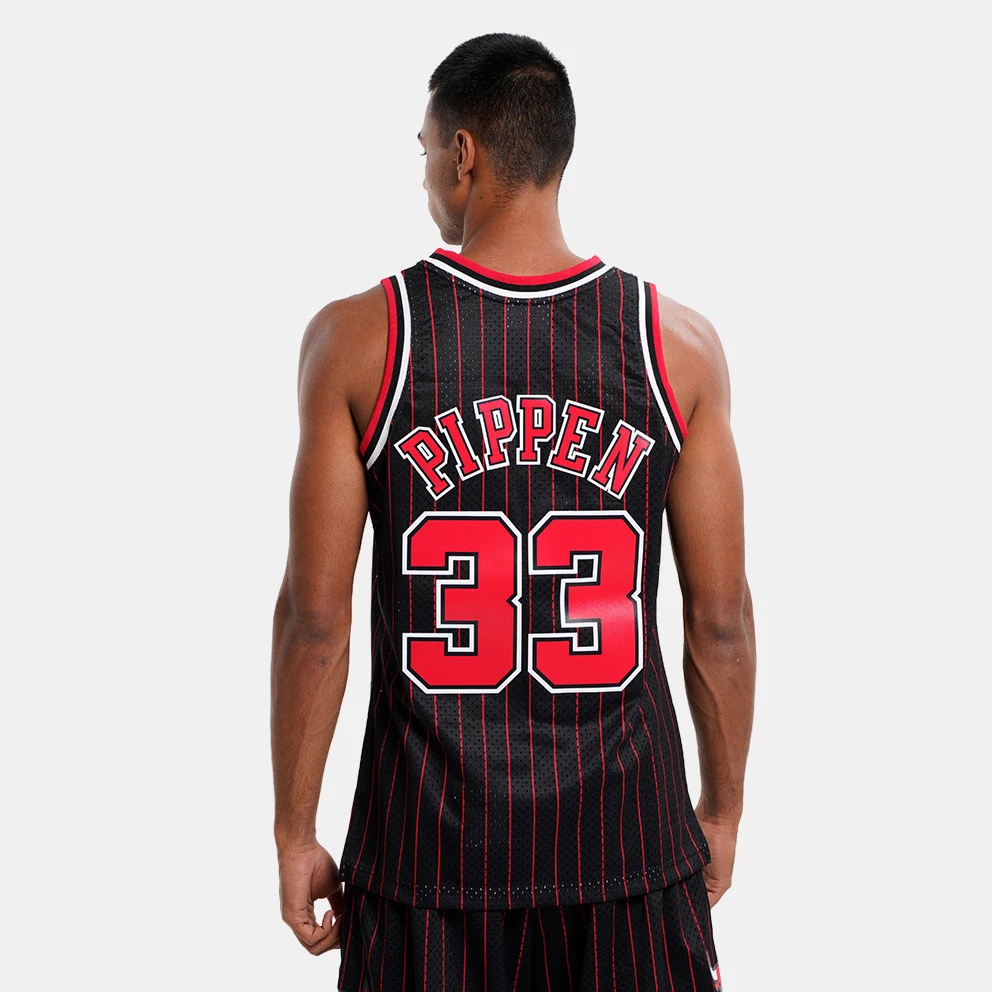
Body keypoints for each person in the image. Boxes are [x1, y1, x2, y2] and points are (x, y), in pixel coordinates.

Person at [271, 32, 755, 992]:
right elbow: (721, 619)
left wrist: (294, 831)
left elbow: (316, 620)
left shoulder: (361, 340)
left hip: (426, 853)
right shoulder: (676, 348)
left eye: (422, 150)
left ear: (464, 155)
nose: (423, 176)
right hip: (626, 843)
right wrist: (722, 810)